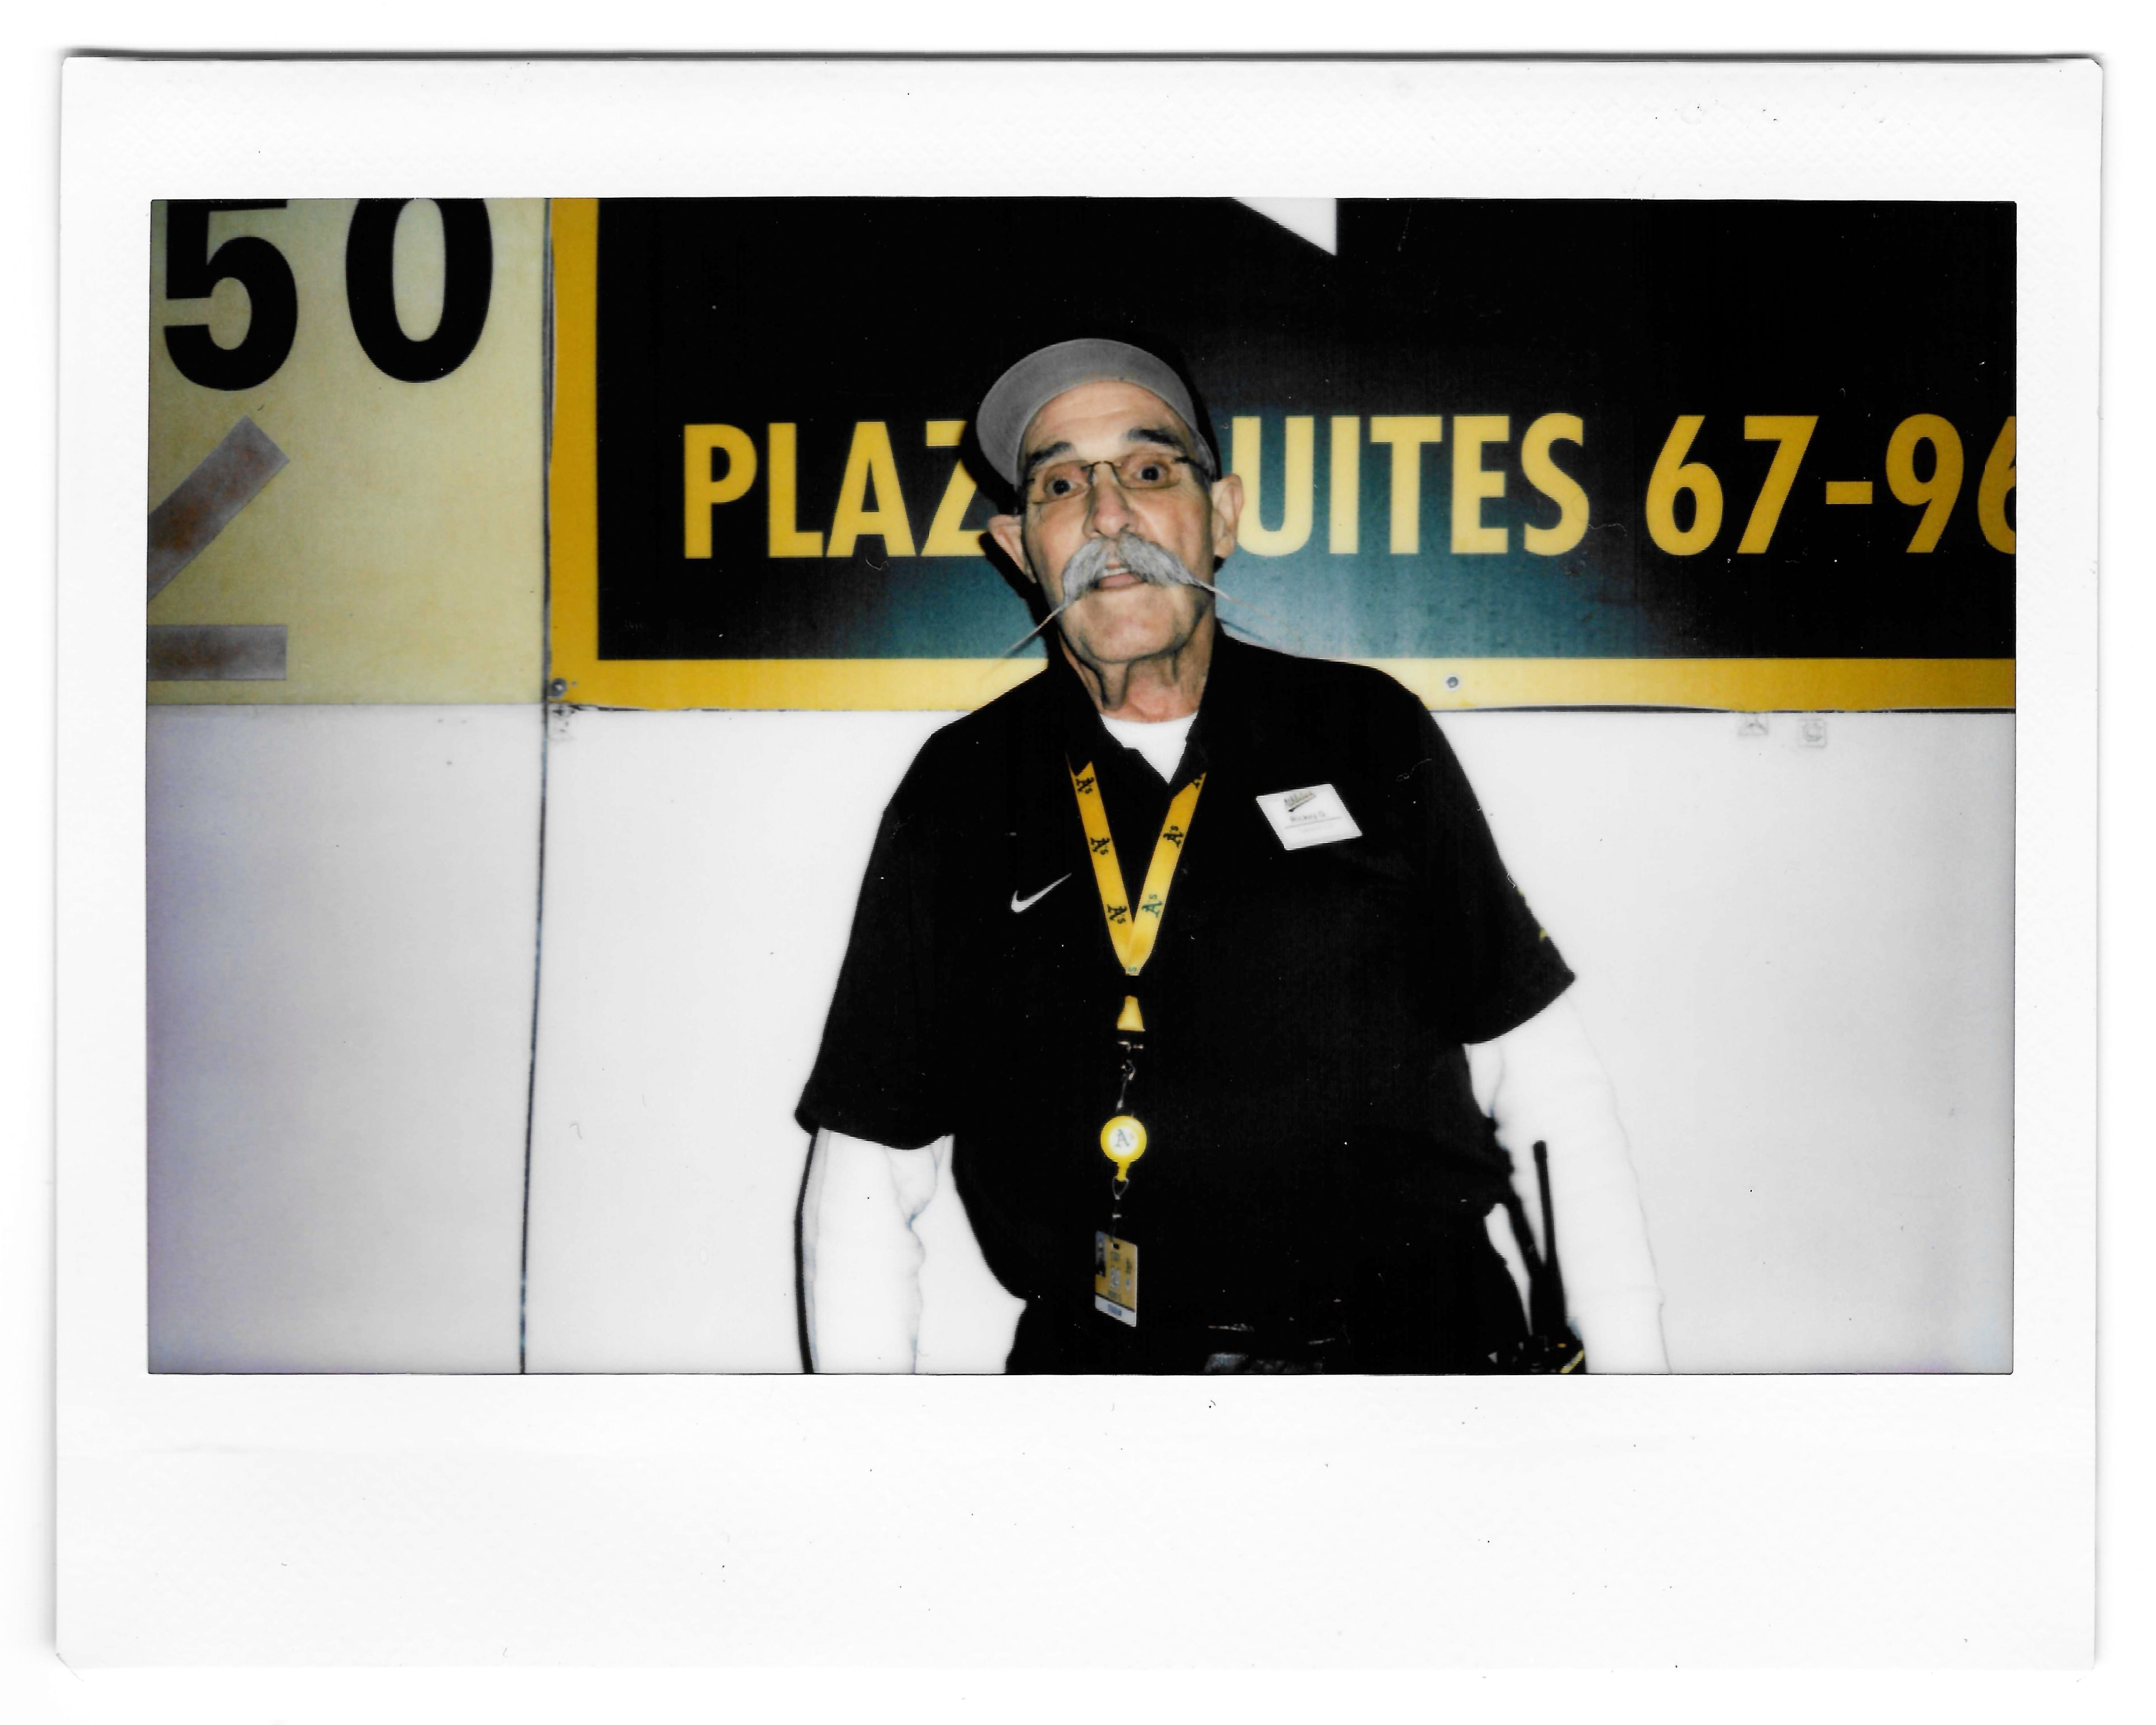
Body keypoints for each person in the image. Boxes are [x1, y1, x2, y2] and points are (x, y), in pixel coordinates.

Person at [796, 337, 1668, 1375]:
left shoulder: (1365, 730)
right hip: (1113, 1395)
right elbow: (865, 1162)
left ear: (1223, 515)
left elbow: (1546, 1084)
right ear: (1017, 546)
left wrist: (1632, 1402)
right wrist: (858, 1463)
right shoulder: (963, 786)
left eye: (1151, 471)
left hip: (1420, 1375)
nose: (1110, 516)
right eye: (1063, 484)